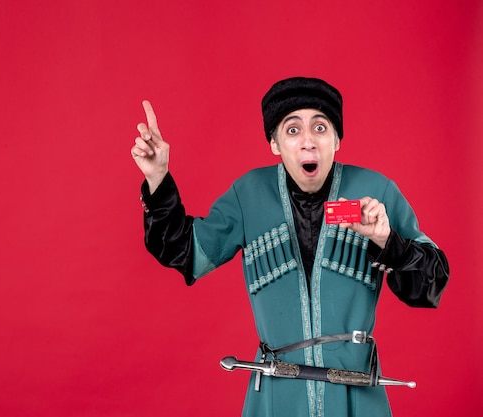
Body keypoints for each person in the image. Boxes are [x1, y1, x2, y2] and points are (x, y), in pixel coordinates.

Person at [130, 77, 449, 417]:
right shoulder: (247, 194)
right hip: (275, 396)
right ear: (275, 144)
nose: (308, 142)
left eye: (321, 127)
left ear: (337, 140)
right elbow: (187, 254)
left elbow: (430, 285)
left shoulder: (377, 191)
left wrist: (388, 241)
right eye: (292, 130)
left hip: (357, 394)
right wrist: (157, 179)